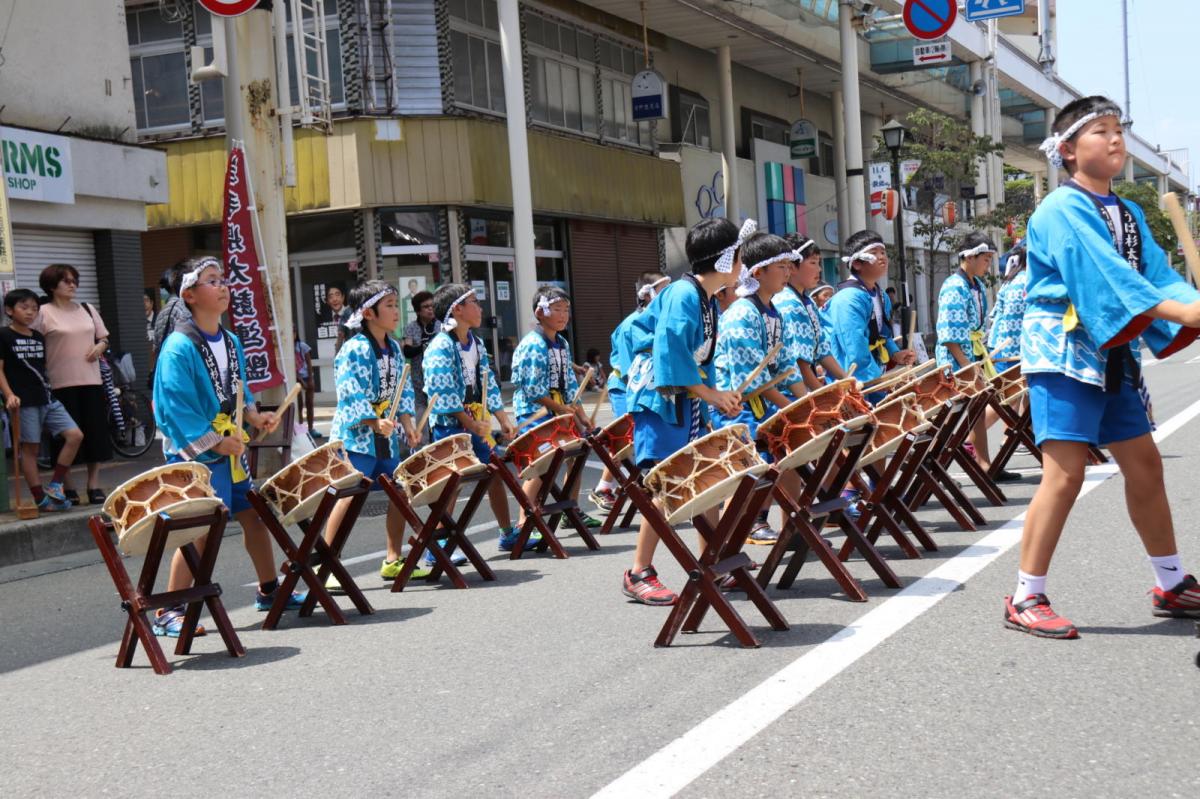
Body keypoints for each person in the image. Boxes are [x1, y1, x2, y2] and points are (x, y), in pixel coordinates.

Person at [1006, 95, 1200, 638]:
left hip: (1114, 351)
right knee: (1065, 474)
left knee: (1145, 466)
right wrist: (1183, 310)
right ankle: (1026, 595)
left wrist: (1188, 304)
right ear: (1067, 150)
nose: (1115, 139)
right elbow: (1106, 275)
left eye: (1119, 130)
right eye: (1101, 131)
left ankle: (1170, 580)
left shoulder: (1130, 212)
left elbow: (1156, 276)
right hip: (1064, 351)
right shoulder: (1060, 209)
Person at [152, 256, 300, 636]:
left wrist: (252, 416)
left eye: (223, 280)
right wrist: (217, 443)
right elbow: (174, 407)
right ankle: (169, 609)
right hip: (198, 454)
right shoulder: (178, 348)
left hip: (229, 449)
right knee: (199, 530)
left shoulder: (230, 340)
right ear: (189, 295)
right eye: (212, 281)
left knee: (252, 515)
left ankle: (269, 590)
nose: (223, 287)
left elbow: (238, 389)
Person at [620, 218, 746, 605]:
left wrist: (713, 395)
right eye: (739, 257)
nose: (742, 265)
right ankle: (639, 571)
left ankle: (714, 560)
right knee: (666, 483)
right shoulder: (684, 294)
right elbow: (671, 352)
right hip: (659, 397)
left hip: (680, 396)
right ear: (726, 260)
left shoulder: (705, 297)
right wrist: (710, 394)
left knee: (697, 477)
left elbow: (696, 358)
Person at [325, 280, 428, 584]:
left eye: (397, 305)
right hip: (357, 438)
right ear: (368, 313)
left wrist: (408, 424)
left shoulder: (394, 349)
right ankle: (327, 565)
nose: (397, 312)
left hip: (386, 436)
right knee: (348, 498)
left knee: (399, 493)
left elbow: (403, 389)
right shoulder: (353, 349)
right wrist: (372, 422)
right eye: (390, 306)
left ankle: (393, 559)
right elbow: (349, 392)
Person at [714, 231, 808, 546]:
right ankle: (731, 544)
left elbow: (785, 366)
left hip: (761, 402)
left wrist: (807, 401)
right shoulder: (742, 313)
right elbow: (750, 379)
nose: (789, 271)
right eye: (781, 266)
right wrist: (793, 408)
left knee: (792, 456)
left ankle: (793, 527)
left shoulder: (772, 312)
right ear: (758, 272)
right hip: (736, 408)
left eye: (789, 265)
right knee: (753, 472)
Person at [422, 283, 523, 551]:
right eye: (475, 302)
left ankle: (507, 532)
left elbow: (487, 387)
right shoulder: (440, 346)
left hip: (476, 424)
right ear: (457, 309)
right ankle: (440, 548)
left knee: (494, 474)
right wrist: (471, 424)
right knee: (451, 486)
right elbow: (441, 395)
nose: (480, 308)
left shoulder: (476, 343)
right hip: (450, 427)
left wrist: (502, 419)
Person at [511, 285, 604, 534]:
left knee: (576, 458)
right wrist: (562, 409)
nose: (563, 315)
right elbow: (533, 390)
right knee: (539, 466)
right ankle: (524, 521)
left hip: (559, 410)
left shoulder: (561, 342)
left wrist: (581, 415)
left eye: (566, 310)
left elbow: (571, 385)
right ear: (540, 313)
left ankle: (570, 510)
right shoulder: (533, 344)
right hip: (535, 413)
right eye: (556, 309)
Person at [934, 230, 1017, 481]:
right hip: (956, 359)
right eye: (985, 258)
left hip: (973, 354)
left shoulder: (976, 285)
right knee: (953, 415)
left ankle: (983, 463)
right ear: (969, 257)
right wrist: (967, 367)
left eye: (990, 259)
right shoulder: (953, 286)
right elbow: (949, 335)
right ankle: (932, 464)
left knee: (977, 410)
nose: (988, 264)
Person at [33, 263, 113, 505]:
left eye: (74, 280)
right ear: (51, 286)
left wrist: (101, 346)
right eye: (65, 280)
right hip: (58, 383)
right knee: (64, 438)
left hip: (91, 380)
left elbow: (104, 338)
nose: (72, 284)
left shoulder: (87, 309)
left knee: (95, 433)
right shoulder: (42, 312)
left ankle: (93, 485)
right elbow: (32, 344)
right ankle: (67, 486)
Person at [589, 272, 668, 512]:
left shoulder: (658, 320)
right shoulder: (630, 325)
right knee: (628, 438)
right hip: (627, 389)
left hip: (649, 388)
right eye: (662, 290)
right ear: (647, 293)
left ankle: (619, 484)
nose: (668, 295)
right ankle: (605, 485)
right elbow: (627, 370)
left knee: (634, 439)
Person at [0, 289, 83, 512]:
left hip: (47, 397)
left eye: (35, 309)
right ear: (9, 310)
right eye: (24, 307)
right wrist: (9, 395)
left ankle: (55, 485)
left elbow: (42, 368)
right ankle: (40, 499)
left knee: (75, 435)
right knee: (31, 450)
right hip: (23, 401)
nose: (30, 312)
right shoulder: (3, 335)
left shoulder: (38, 336)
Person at [825, 231, 917, 394]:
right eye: (874, 253)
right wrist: (882, 384)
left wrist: (895, 353)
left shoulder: (881, 295)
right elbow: (855, 349)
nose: (882, 257)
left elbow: (883, 335)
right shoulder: (848, 299)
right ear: (857, 263)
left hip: (873, 374)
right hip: (853, 379)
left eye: (883, 252)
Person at [776, 236, 849, 392]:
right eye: (813, 263)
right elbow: (801, 365)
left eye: (819, 263)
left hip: (804, 388)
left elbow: (822, 351)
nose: (819, 269)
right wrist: (826, 397)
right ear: (792, 267)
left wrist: (847, 381)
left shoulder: (807, 301)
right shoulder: (789, 303)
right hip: (789, 393)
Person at [401, 290, 437, 448]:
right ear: (417, 311)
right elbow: (407, 351)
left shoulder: (441, 325)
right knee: (421, 408)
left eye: (432, 306)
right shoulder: (411, 328)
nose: (430, 309)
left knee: (439, 408)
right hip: (418, 376)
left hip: (437, 376)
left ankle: (439, 441)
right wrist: (423, 346)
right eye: (426, 307)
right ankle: (424, 444)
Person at [988, 240, 1027, 368]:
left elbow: (994, 315)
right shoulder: (1023, 281)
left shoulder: (1009, 282)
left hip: (998, 344)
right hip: (1010, 350)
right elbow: (1013, 319)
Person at [294, 326, 319, 438]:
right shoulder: (288, 348)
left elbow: (309, 363)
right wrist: (300, 380)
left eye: (294, 332)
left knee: (310, 403)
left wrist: (310, 379)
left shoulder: (302, 346)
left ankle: (311, 428)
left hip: (306, 377)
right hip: (295, 379)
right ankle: (301, 429)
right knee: (298, 404)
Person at [325, 284, 351, 353]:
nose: (335, 299)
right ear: (327, 301)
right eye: (331, 297)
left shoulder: (350, 314)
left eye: (337, 295)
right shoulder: (324, 318)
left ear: (343, 297)